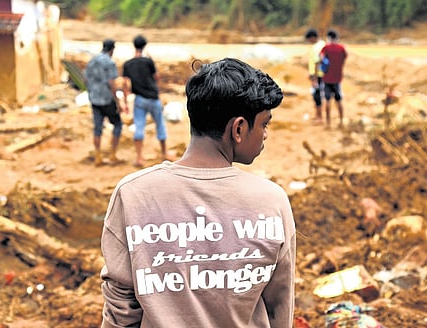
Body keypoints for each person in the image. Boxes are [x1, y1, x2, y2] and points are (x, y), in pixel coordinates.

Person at [100, 57, 296, 328]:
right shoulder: (271, 201)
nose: (265, 135)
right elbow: (279, 306)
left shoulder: (133, 194)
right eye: (264, 124)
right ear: (238, 128)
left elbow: (121, 309)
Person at [122, 35, 169, 167]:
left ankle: (139, 157)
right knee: (160, 124)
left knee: (139, 127)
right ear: (144, 45)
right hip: (153, 98)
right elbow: (156, 77)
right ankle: (165, 152)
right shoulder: (148, 61)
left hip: (139, 99)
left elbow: (125, 84)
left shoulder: (128, 64)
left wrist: (125, 103)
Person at [84, 38, 128, 166]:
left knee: (97, 128)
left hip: (94, 98)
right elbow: (111, 83)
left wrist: (91, 91)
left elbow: (86, 79)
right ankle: (112, 154)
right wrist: (118, 101)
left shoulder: (92, 61)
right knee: (117, 124)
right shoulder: (109, 63)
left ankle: (98, 155)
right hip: (107, 99)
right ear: (112, 49)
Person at [320, 29, 347, 128]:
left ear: (329, 38)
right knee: (339, 100)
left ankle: (328, 124)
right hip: (337, 78)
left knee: (327, 101)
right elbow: (344, 58)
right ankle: (341, 121)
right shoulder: (341, 48)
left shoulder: (326, 48)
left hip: (327, 78)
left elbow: (321, 58)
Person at [305, 28, 325, 124]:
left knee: (317, 96)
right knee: (316, 95)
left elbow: (317, 63)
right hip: (318, 74)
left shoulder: (318, 47)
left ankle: (320, 118)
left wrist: (315, 78)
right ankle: (317, 116)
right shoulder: (321, 45)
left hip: (318, 75)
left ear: (312, 37)